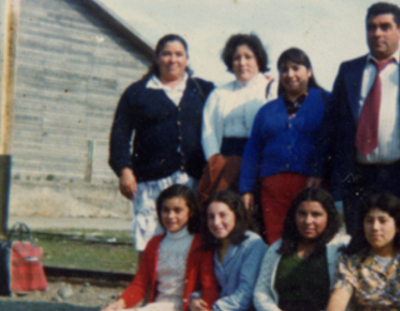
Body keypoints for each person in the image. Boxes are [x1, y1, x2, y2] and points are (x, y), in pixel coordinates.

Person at [308, 2, 400, 236]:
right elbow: (330, 126)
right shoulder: (348, 70)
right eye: (371, 27)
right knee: (359, 239)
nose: (377, 33)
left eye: (385, 27)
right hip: (356, 174)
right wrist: (318, 170)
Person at [109, 34, 214, 252]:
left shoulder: (203, 90)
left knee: (190, 241)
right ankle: (147, 287)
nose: (172, 60)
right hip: (150, 182)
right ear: (156, 57)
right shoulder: (137, 92)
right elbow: (119, 136)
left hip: (191, 180)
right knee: (149, 243)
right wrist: (124, 170)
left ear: (187, 59)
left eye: (178, 54)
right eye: (166, 54)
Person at [239, 48, 329, 244]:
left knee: (311, 240)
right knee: (277, 242)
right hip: (273, 191)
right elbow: (252, 151)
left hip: (311, 186)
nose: (290, 75)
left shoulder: (326, 101)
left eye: (296, 68)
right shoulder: (267, 111)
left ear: (309, 72)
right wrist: (245, 188)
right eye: (284, 70)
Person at [198, 34, 276, 205]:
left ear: (258, 60)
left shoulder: (271, 88)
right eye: (236, 58)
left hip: (259, 157)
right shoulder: (219, 93)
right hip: (226, 158)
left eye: (248, 57)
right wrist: (215, 162)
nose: (242, 63)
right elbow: (208, 130)